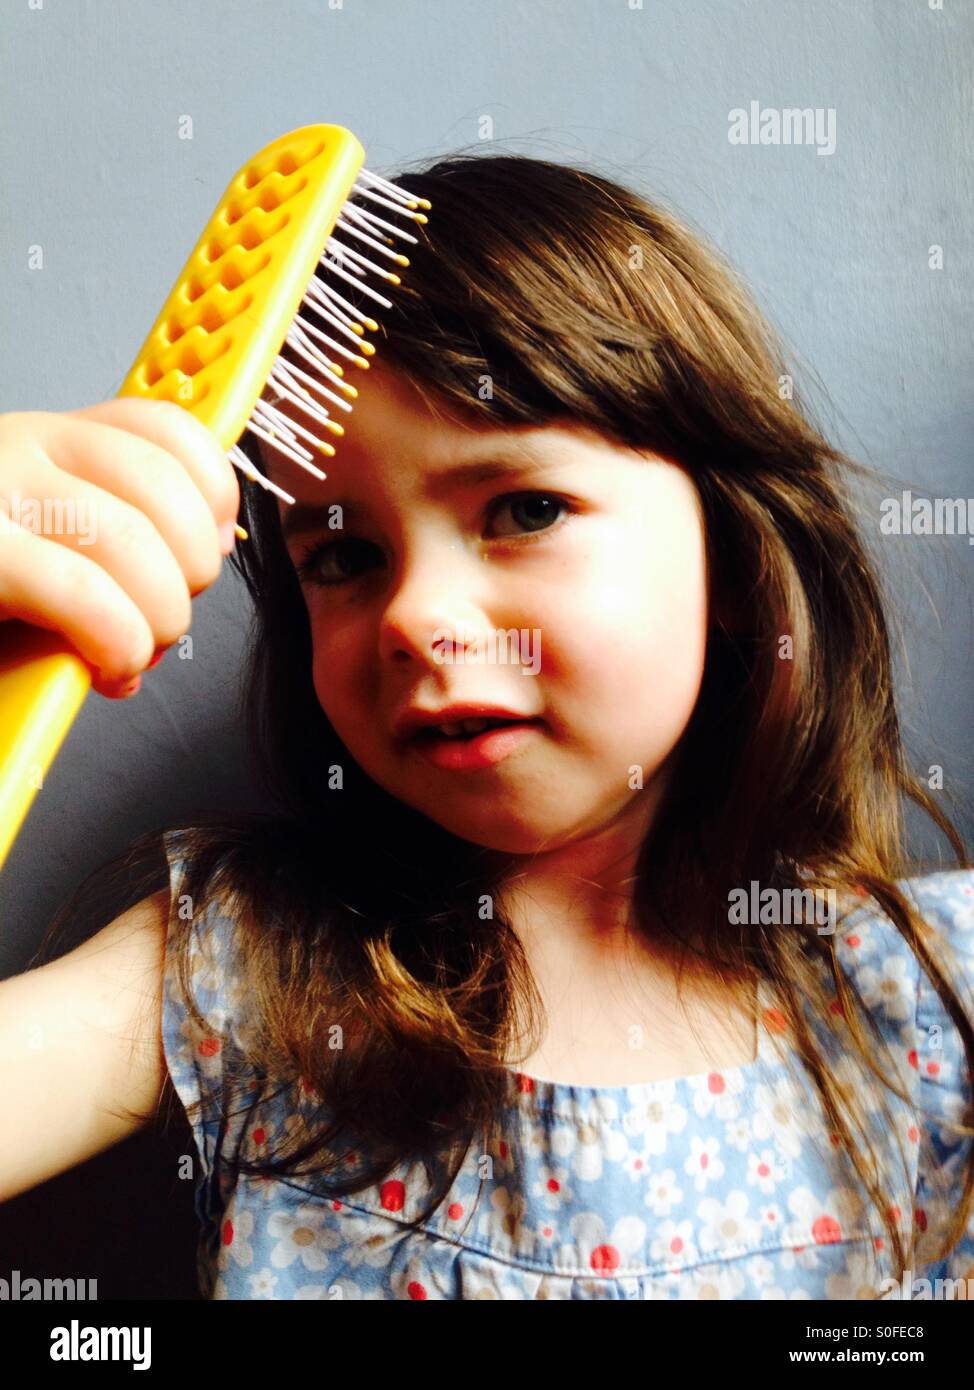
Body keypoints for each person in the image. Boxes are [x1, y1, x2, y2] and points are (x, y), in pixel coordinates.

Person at [1, 154, 972, 1300]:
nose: (413, 617)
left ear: (731, 558)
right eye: (344, 556)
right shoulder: (248, 963)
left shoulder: (931, 991)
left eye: (523, 510)